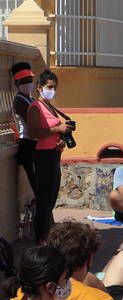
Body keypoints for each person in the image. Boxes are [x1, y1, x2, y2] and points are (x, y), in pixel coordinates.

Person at [25, 70, 70, 243]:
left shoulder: (49, 106)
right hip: (42, 156)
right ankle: (41, 239)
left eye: (54, 87)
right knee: (44, 200)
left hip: (53, 154)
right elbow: (34, 131)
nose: (52, 90)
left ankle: (46, 237)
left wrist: (60, 140)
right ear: (39, 88)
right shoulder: (35, 107)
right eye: (49, 87)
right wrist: (57, 129)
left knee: (51, 198)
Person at [10, 62, 37, 195]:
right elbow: (33, 124)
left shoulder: (30, 99)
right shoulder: (19, 101)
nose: (28, 83)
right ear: (17, 84)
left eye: (30, 80)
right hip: (27, 144)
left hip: (34, 143)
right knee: (36, 184)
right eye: (24, 81)